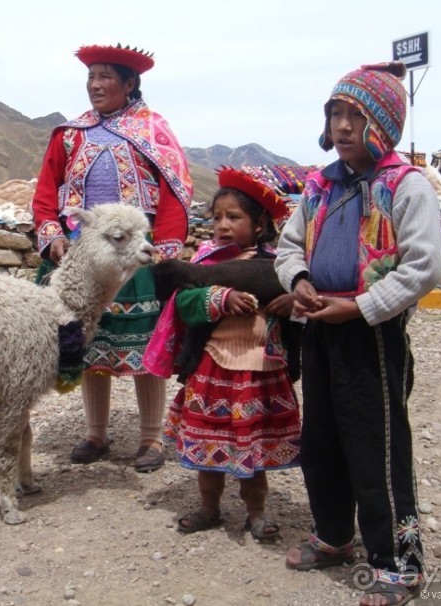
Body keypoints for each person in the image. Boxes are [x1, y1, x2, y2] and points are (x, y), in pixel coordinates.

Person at [274, 62, 441, 606]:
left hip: (372, 334)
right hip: (320, 330)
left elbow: (423, 268)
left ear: (383, 124)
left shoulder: (405, 185)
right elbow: (287, 246)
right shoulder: (320, 184)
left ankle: (400, 564)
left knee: (377, 446)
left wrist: (361, 306)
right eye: (335, 113)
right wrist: (298, 279)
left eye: (356, 115)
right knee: (321, 439)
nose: (343, 126)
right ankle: (334, 536)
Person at [32, 43, 191, 472]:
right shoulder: (71, 134)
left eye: (105, 77)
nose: (96, 85)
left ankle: (152, 438)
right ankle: (95, 433)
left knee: (145, 347)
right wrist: (52, 236)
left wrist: (167, 252)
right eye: (91, 77)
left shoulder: (153, 131)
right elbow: (47, 192)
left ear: (129, 83)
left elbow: (175, 193)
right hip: (85, 257)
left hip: (136, 258)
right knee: (89, 341)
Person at [148, 167, 300, 538]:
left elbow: (302, 304)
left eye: (234, 217)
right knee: (208, 443)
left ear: (260, 221)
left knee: (255, 444)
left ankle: (256, 511)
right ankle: (209, 507)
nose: (222, 225)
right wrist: (219, 298)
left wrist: (290, 303)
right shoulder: (205, 263)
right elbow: (183, 303)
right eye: (217, 217)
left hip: (260, 367)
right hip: (213, 366)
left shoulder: (280, 265)